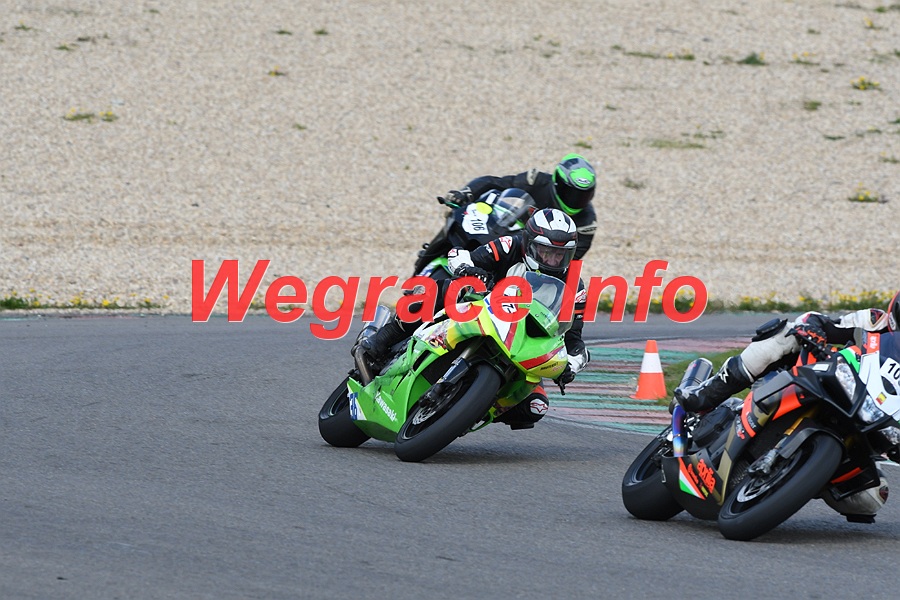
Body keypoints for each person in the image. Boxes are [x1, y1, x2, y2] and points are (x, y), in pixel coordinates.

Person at [361, 208, 591, 429]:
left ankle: (471, 410)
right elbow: (462, 256)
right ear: (529, 243)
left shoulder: (575, 287)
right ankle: (383, 339)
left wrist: (570, 365)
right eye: (546, 252)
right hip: (482, 310)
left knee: (535, 407)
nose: (552, 261)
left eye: (560, 255)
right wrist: (467, 269)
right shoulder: (510, 245)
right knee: (447, 289)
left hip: (524, 343)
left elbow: (574, 340)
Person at [674, 290, 900, 413]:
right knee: (784, 335)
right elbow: (817, 320)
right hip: (827, 379)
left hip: (867, 413)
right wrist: (812, 329)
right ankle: (705, 393)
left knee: (871, 487)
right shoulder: (873, 321)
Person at [440, 153, 598, 260]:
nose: (575, 200)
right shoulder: (536, 181)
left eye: (582, 195)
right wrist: (467, 192)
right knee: (460, 218)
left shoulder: (587, 223)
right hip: (505, 231)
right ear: (556, 181)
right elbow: (497, 182)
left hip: (532, 256)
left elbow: (572, 259)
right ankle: (430, 252)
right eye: (570, 192)